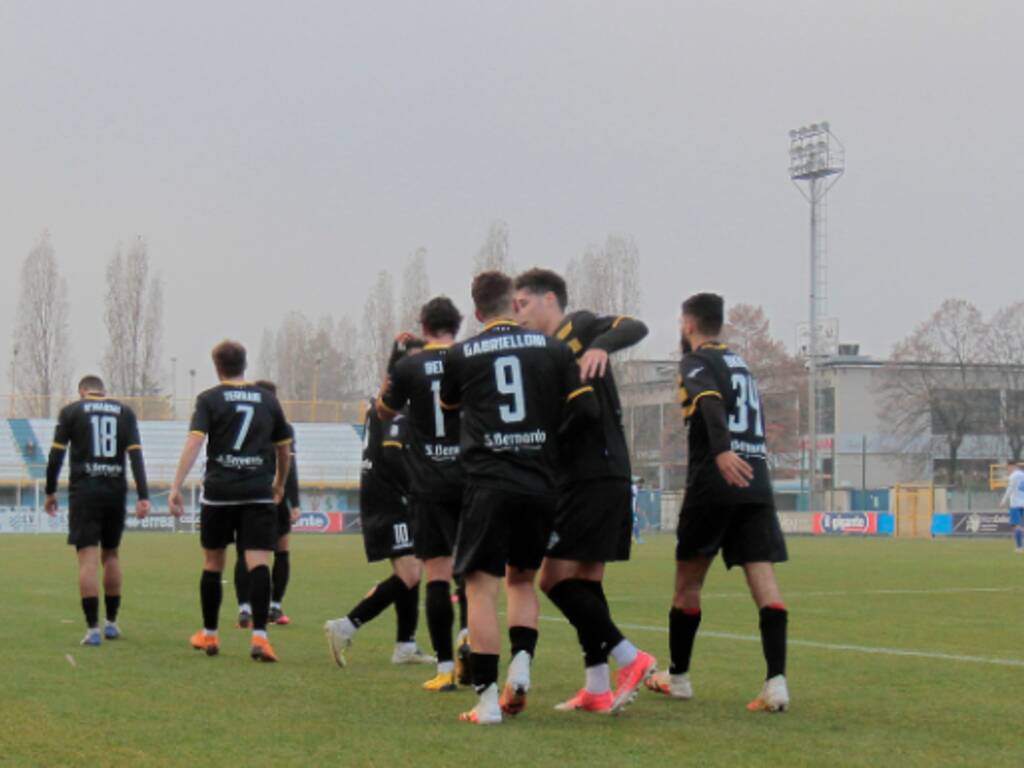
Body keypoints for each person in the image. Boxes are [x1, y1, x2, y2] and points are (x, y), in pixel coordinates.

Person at [440, 271, 598, 725]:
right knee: (523, 580)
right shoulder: (554, 349)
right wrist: (549, 442)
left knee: (480, 589)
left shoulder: (461, 354)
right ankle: (522, 666)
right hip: (540, 483)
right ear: (514, 303)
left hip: (489, 483)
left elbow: (451, 411)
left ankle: (487, 700)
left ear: (476, 312)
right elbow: (586, 409)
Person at [512, 268, 656, 714]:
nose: (518, 316)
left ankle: (630, 658)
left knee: (551, 579)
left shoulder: (576, 326)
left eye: (523, 305)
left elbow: (635, 326)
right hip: (598, 475)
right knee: (587, 581)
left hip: (592, 476)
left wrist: (599, 345)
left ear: (549, 299)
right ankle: (596, 686)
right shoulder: (545, 355)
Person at [645, 293, 790, 712]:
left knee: (687, 585)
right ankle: (776, 682)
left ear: (688, 324)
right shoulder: (741, 365)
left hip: (716, 481)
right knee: (765, 585)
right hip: (756, 483)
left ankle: (679, 677)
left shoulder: (696, 362)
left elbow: (708, 401)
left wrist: (722, 450)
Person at [169, 340, 292, 662]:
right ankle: (261, 639)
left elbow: (195, 442)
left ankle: (209, 636)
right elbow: (283, 447)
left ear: (217, 367)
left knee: (213, 563)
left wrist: (175, 485)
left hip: (220, 493)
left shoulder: (209, 399)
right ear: (244, 364)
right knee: (259, 564)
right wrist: (279, 483)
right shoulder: (268, 400)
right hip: (257, 492)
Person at [378, 298, 471, 692]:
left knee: (437, 572)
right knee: (473, 575)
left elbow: (384, 411)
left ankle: (446, 668)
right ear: (458, 324)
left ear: (423, 324)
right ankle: (471, 644)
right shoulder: (471, 358)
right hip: (471, 476)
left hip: (429, 480)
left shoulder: (408, 366)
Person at [324, 341, 434, 668]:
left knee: (410, 568)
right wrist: (418, 487)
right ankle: (346, 625)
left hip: (385, 493)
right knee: (411, 572)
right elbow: (392, 454)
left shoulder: (390, 400)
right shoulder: (398, 406)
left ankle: (405, 645)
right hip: (391, 496)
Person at [44, 375, 150, 645]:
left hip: (85, 492)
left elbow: (56, 455)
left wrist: (50, 490)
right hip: (115, 491)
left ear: (82, 391)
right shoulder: (125, 412)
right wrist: (143, 495)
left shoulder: (71, 411)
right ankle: (112, 623)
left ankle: (92, 630)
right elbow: (136, 454)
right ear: (104, 391)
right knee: (111, 554)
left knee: (87, 559)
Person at [235, 380, 301, 627]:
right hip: (270, 495)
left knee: (250, 552)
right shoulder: (282, 427)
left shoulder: (255, 425)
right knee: (276, 552)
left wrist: (294, 501)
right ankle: (267, 607)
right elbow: (289, 466)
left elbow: (289, 466)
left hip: (257, 494)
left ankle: (251, 609)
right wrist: (292, 500)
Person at [1000, 461, 1024, 552]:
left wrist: (1003, 501)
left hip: (1015, 504)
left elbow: (1010, 489)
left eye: (1008, 468)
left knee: (1016, 526)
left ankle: (1019, 547)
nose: (1007, 470)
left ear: (1011, 466)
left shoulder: (1013, 476)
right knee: (1021, 526)